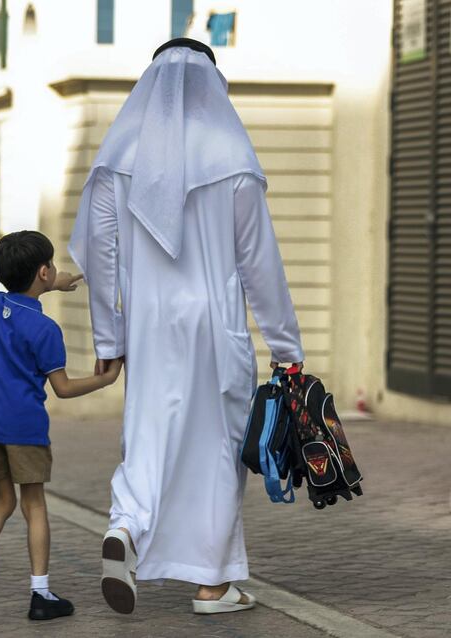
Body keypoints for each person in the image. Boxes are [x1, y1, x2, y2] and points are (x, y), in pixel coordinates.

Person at [68, 38, 305, 615]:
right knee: (218, 449)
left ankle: (124, 527)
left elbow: (100, 256)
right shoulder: (233, 154)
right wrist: (285, 346)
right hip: (214, 325)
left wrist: (108, 340)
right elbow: (259, 263)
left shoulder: (117, 156)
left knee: (146, 434)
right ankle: (212, 585)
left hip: (148, 327)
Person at [0, 230, 123, 621]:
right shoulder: (46, 330)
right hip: (23, 429)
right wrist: (105, 379)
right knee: (34, 505)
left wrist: (51, 284)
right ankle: (41, 593)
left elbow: (23, 297)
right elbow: (62, 388)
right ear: (45, 271)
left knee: (1, 502)